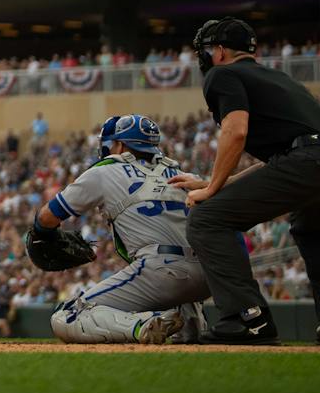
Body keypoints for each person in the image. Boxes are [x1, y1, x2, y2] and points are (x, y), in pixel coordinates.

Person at [175, 17, 320, 346]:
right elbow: (290, 157)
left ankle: (246, 318)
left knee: (207, 219)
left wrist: (210, 191)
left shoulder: (223, 74)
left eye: (207, 51)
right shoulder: (277, 77)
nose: (205, 58)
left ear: (220, 52)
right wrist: (218, 181)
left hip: (312, 162)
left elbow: (236, 132)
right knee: (310, 224)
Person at [35, 115, 209, 345]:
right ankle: (192, 322)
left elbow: (47, 216)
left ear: (119, 145)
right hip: (208, 272)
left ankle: (143, 324)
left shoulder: (106, 170)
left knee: (67, 316)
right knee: (185, 332)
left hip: (161, 271)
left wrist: (42, 233)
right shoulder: (182, 173)